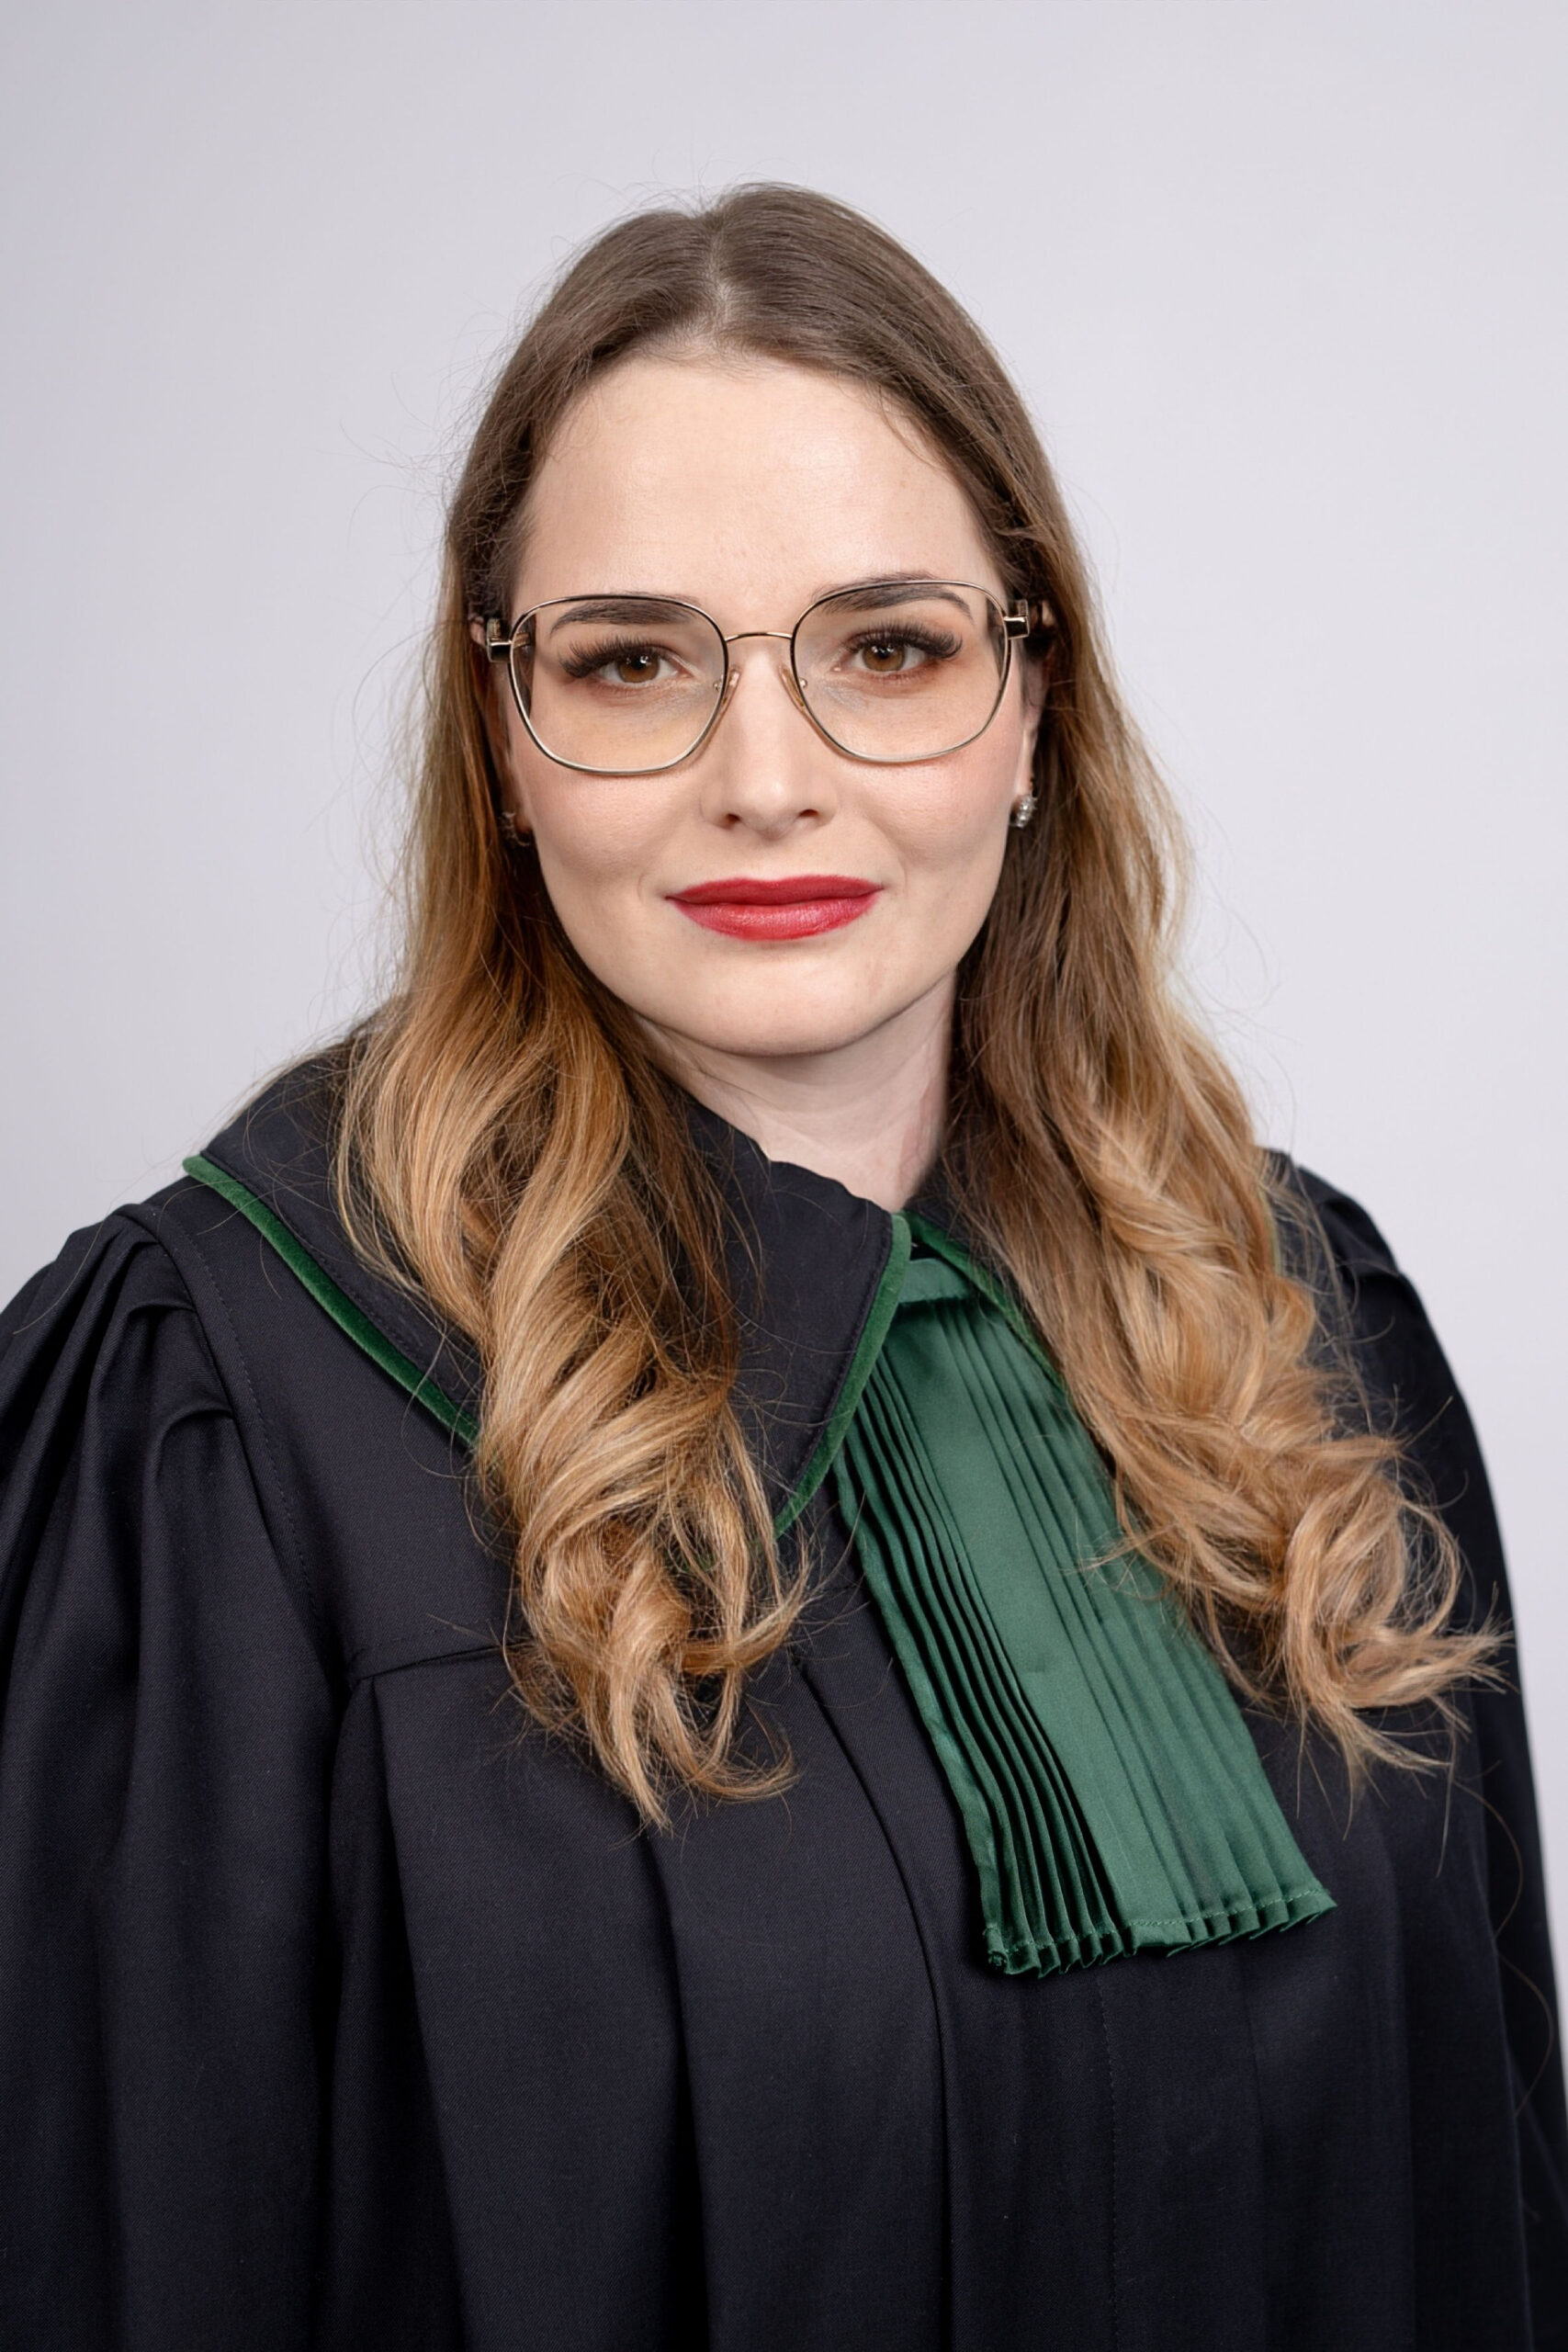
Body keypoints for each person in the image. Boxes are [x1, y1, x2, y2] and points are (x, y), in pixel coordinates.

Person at [0, 184, 1562, 2352]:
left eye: (888, 647)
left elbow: (1485, 2204)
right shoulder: (217, 1421)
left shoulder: (1300, 1323)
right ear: (502, 739)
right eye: (629, 659)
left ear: (1030, 705)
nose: (765, 779)